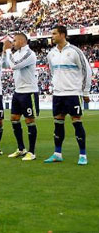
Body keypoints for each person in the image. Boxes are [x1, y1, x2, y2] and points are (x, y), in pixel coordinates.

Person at [44, 25, 92, 165]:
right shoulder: (51, 53)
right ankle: (57, 153)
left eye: (54, 33)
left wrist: (85, 91)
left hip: (73, 93)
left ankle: (82, 155)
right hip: (58, 94)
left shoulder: (75, 51)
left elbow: (86, 71)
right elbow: (52, 72)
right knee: (58, 123)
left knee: (77, 122)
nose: (52, 36)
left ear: (62, 34)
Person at [2, 33, 40, 161]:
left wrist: (8, 50)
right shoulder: (16, 54)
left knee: (29, 120)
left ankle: (32, 152)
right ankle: (21, 148)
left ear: (22, 41)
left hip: (29, 91)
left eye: (15, 40)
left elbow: (14, 65)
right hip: (18, 91)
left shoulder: (30, 53)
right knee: (14, 119)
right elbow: (6, 65)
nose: (13, 43)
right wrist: (5, 53)